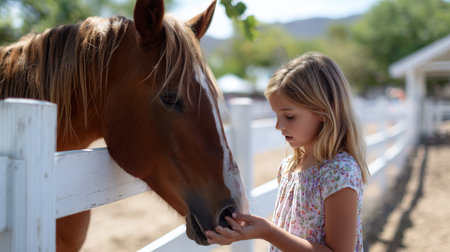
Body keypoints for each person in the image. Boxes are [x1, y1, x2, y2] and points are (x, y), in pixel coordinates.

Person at [206, 52, 370, 251]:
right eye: (276, 115)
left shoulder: (339, 172)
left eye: (289, 116)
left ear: (323, 113)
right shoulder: (289, 167)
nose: (278, 125)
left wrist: (268, 232)